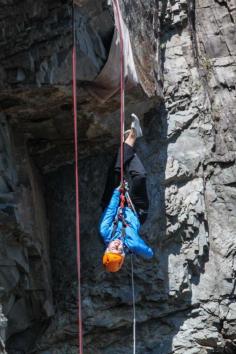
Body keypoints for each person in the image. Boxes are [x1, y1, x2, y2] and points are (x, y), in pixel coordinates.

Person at [99, 114, 154, 272]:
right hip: (137, 212)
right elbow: (150, 254)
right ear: (123, 255)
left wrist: (118, 191)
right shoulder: (131, 244)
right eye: (118, 251)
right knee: (140, 177)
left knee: (116, 171)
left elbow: (110, 211)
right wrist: (134, 244)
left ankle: (130, 139)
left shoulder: (105, 230)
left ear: (106, 249)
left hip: (112, 202)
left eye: (111, 249)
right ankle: (129, 142)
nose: (116, 246)